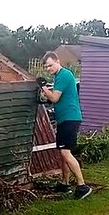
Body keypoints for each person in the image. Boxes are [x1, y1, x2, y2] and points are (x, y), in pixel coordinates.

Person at [40, 51, 92, 199]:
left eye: (50, 65)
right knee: (63, 153)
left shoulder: (63, 75)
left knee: (65, 152)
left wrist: (43, 87)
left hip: (70, 118)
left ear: (57, 61)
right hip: (65, 119)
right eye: (46, 67)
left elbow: (55, 98)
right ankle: (65, 184)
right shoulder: (59, 77)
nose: (48, 69)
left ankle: (82, 186)